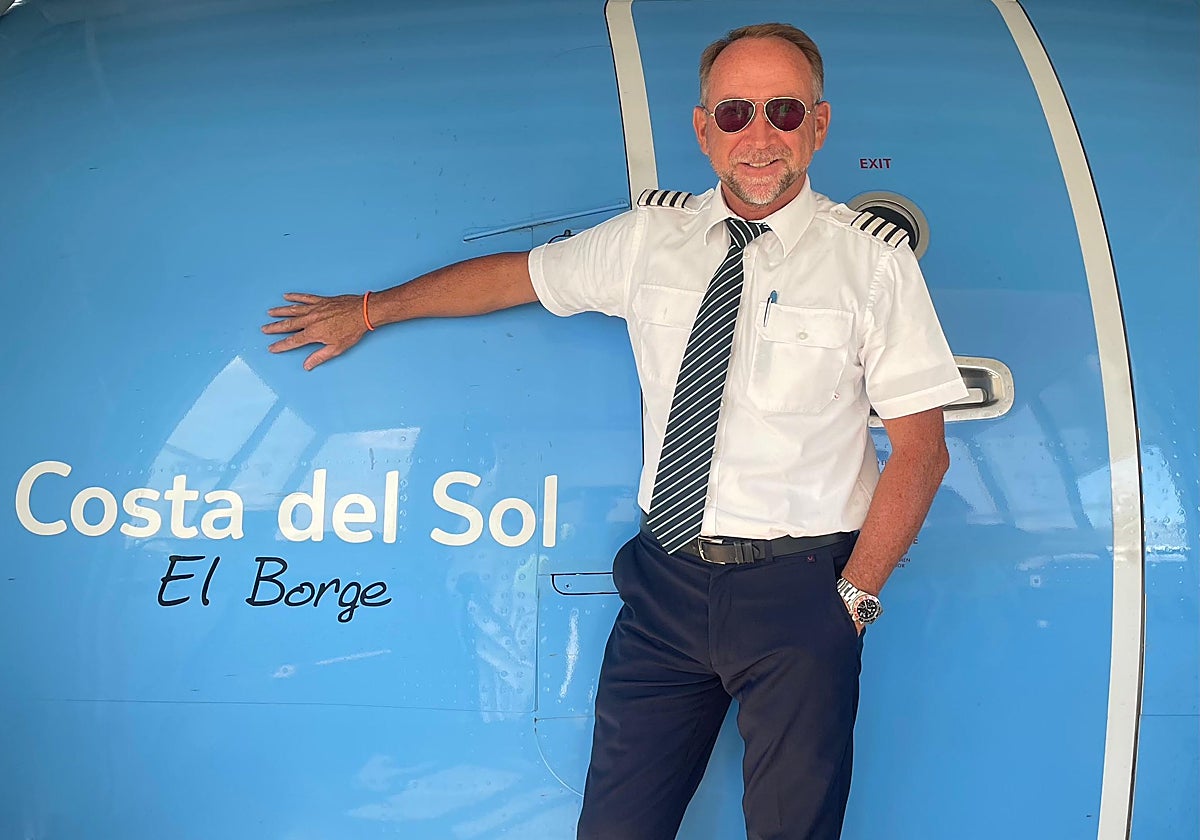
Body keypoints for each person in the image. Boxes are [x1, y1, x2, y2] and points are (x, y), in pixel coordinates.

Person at [263, 22, 967, 840]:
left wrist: (851, 600)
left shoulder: (872, 265)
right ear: (704, 131)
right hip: (664, 589)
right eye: (735, 114)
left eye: (784, 110)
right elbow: (512, 278)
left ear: (819, 123)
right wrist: (370, 309)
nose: (761, 136)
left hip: (800, 592)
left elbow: (922, 448)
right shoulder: (648, 242)